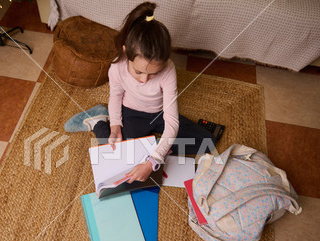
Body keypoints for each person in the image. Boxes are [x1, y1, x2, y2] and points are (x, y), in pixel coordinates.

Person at [64, 2, 216, 183]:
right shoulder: (117, 66)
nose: (144, 80)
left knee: (207, 141)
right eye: (138, 72)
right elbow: (116, 96)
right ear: (126, 52)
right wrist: (115, 126)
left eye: (153, 73)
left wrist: (153, 161)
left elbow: (172, 121)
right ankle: (99, 122)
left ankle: (152, 148)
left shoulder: (168, 70)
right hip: (132, 113)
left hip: (159, 113)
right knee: (122, 156)